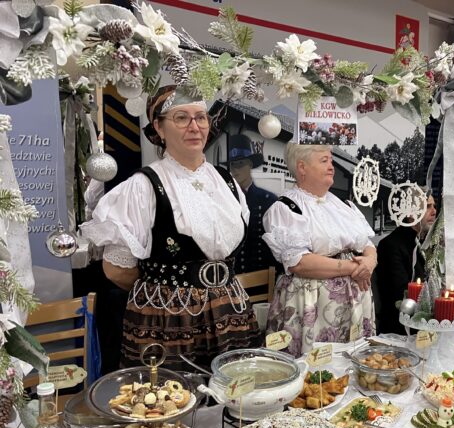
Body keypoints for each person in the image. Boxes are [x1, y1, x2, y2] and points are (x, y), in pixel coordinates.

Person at [81, 85, 257, 370]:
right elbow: (116, 269)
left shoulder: (227, 181)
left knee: (232, 389)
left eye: (200, 117)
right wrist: (166, 291)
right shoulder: (143, 186)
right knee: (170, 392)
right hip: (168, 319)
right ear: (159, 128)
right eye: (181, 118)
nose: (194, 126)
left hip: (229, 311)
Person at [263, 143, 377, 357]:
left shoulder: (343, 206)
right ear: (302, 167)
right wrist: (354, 267)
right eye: (324, 161)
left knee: (351, 363)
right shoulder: (286, 208)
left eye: (331, 160)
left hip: (353, 301)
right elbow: (299, 262)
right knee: (313, 368)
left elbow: (367, 244)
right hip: (312, 303)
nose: (331, 166)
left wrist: (369, 262)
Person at [375, 192, 437, 334]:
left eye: (434, 206)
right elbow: (399, 294)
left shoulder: (421, 242)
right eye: (427, 207)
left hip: (421, 324)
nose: (434, 211)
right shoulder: (391, 245)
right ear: (411, 214)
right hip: (400, 329)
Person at [225, 133, 278, 274]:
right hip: (233, 277)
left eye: (240, 164)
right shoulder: (225, 199)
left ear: (250, 164)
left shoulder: (268, 200)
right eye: (232, 165)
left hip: (262, 276)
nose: (235, 170)